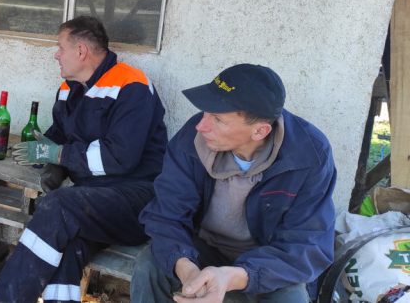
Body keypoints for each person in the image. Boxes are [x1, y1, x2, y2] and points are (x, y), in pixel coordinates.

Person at [0, 16, 168, 302]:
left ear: (81, 51)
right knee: (65, 249)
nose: (56, 55)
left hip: (137, 200)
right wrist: (47, 158)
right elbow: (58, 137)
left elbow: (119, 158)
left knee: (57, 206)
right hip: (90, 201)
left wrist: (58, 154)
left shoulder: (131, 85)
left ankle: (7, 298)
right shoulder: (68, 89)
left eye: (60, 47)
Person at [131, 64, 336, 302]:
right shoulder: (192, 138)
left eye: (218, 119)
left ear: (259, 131)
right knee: (149, 265)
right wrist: (188, 271)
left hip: (266, 260)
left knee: (292, 299)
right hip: (203, 248)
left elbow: (306, 245)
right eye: (206, 112)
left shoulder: (309, 154)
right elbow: (166, 214)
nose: (201, 125)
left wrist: (234, 277)